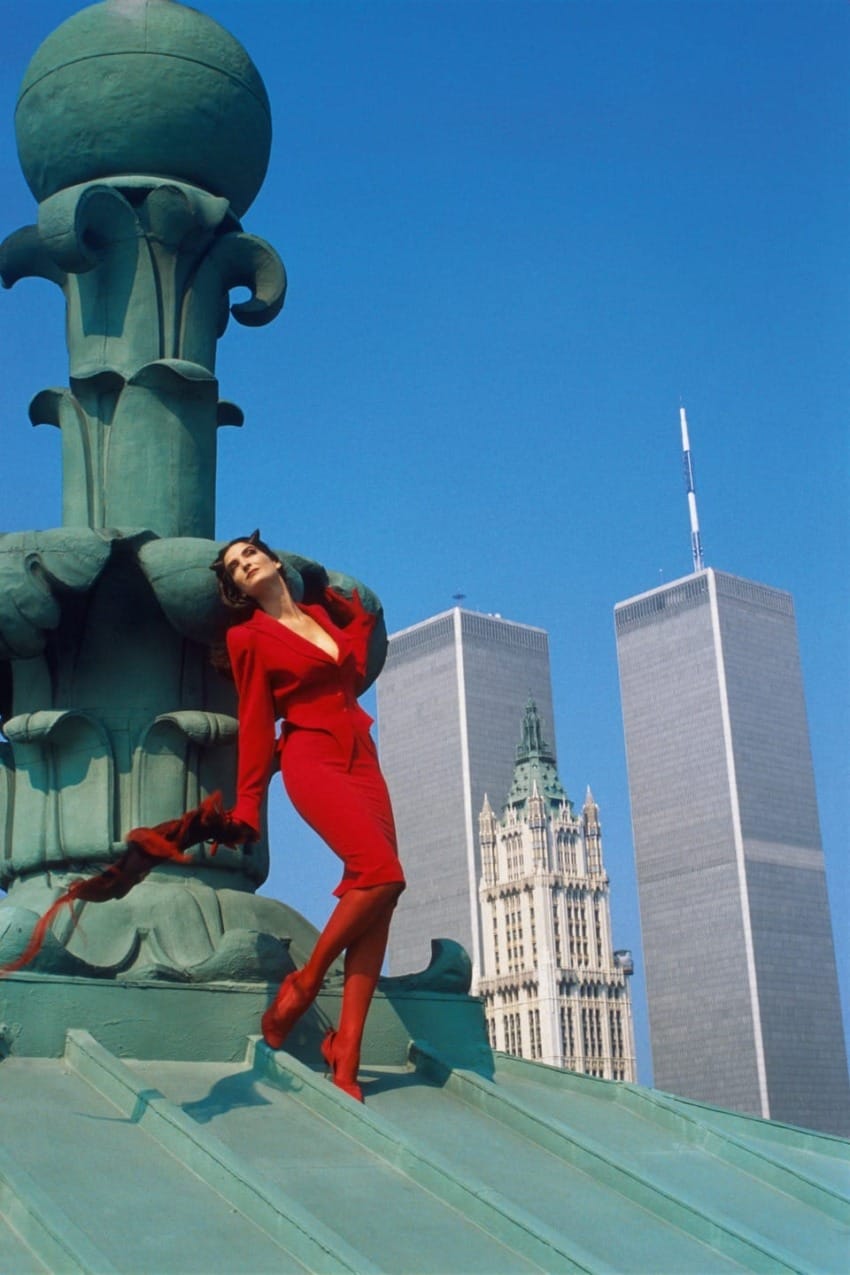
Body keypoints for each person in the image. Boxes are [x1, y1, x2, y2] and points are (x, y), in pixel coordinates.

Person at [210, 531, 405, 1102]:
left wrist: (345, 606)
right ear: (238, 590)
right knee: (383, 873)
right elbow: (253, 723)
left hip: (362, 757)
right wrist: (248, 804)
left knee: (383, 893)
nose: (246, 566)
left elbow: (360, 648)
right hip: (310, 757)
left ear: (272, 561)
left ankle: (348, 1050)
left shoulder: (322, 615)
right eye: (235, 568)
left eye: (250, 555)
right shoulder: (247, 637)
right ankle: (304, 983)